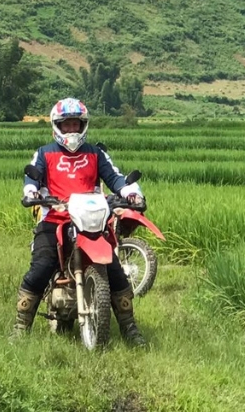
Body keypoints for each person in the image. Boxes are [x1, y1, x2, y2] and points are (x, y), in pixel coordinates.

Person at [13, 97, 148, 346]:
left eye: (76, 124)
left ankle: (131, 330)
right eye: (67, 125)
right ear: (57, 126)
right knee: (41, 268)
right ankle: (21, 328)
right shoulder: (45, 153)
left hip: (92, 220)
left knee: (116, 272)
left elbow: (116, 178)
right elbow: (32, 177)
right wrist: (31, 192)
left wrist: (131, 193)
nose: (72, 130)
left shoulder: (96, 154)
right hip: (56, 218)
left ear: (83, 125)